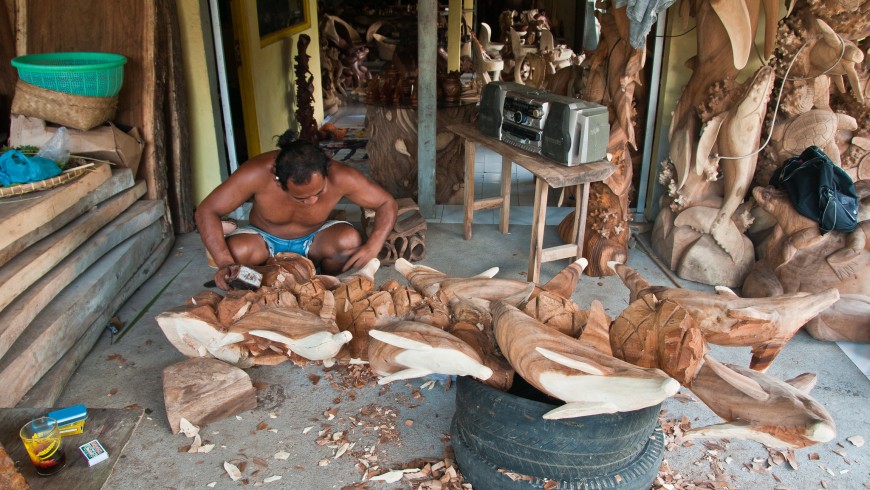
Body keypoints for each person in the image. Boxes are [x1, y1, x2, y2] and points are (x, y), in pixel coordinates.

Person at [195, 130, 398, 290]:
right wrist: (224, 263)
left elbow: (386, 203)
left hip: (314, 240)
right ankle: (269, 278)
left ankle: (318, 280)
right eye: (300, 197)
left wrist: (373, 246)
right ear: (278, 180)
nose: (311, 202)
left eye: (319, 193)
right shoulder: (256, 173)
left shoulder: (342, 176)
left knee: (349, 241)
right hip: (264, 241)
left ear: (326, 171)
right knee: (235, 253)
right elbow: (207, 210)